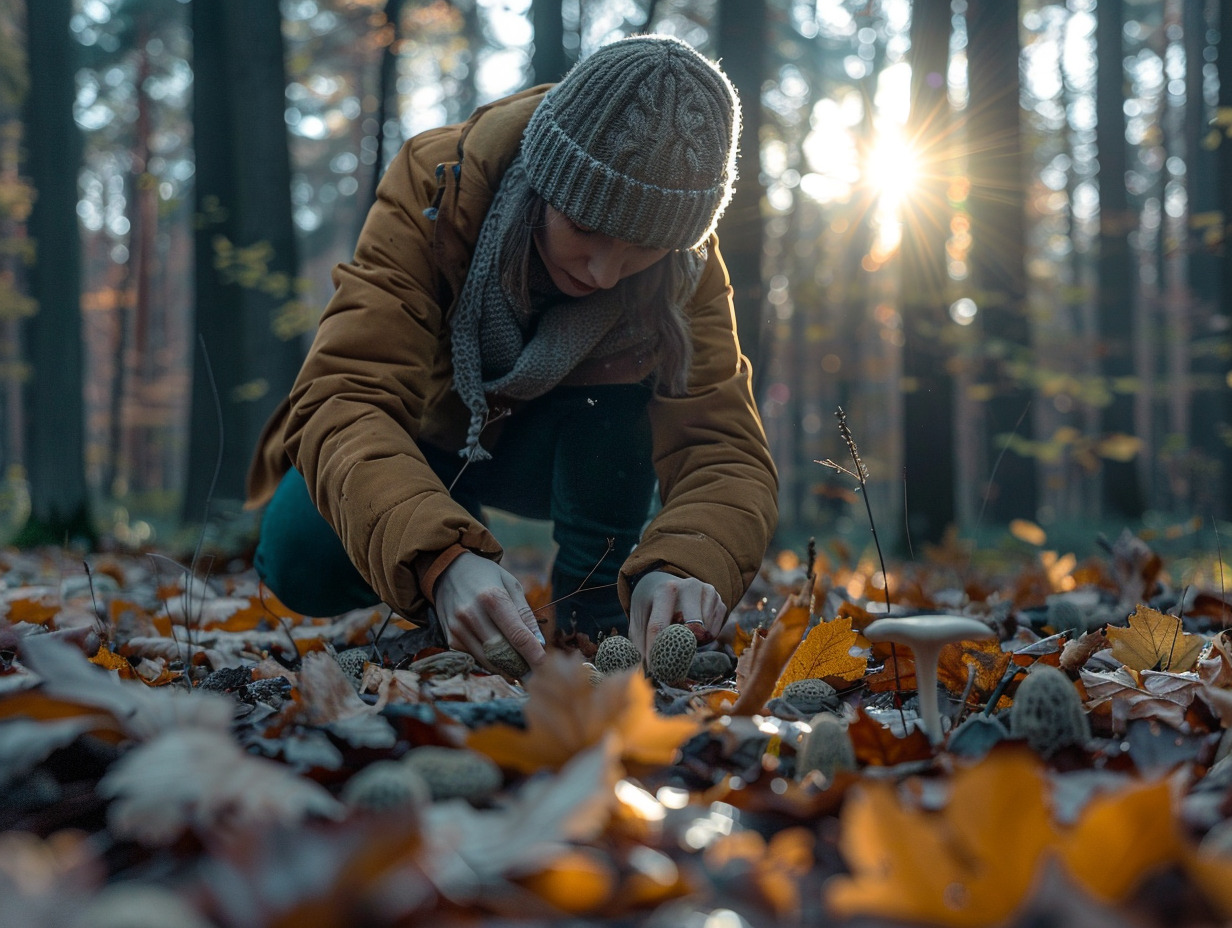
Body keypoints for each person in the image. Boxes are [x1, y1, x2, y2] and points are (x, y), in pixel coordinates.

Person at [245, 34, 778, 674]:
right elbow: (344, 393)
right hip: (424, 437)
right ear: (543, 185)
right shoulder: (436, 188)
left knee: (636, 365)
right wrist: (440, 561)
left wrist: (690, 563)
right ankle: (457, 571)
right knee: (299, 554)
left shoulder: (685, 265)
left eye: (642, 246)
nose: (607, 271)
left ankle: (595, 612)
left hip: (571, 457)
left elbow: (722, 446)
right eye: (585, 228)